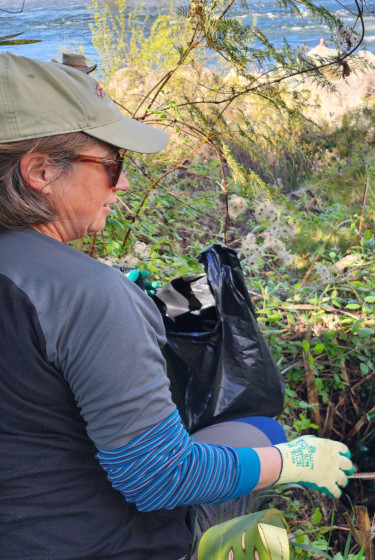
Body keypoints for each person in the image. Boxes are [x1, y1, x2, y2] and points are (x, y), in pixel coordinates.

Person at [0, 53, 353, 559]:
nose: (121, 183)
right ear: (39, 171)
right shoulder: (89, 297)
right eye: (111, 163)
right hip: (99, 543)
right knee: (263, 430)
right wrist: (290, 461)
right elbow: (158, 476)